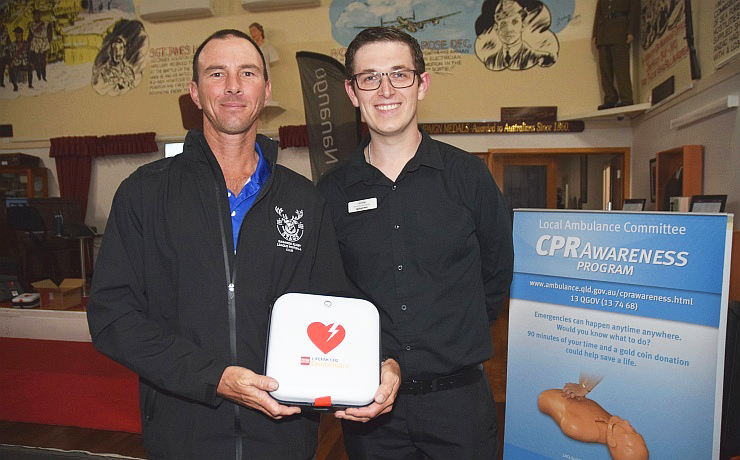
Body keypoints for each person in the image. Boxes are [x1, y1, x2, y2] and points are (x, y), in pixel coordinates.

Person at [87, 29, 400, 460]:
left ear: (265, 91)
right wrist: (213, 377)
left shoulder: (303, 199)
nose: (233, 86)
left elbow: (336, 302)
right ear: (195, 92)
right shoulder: (144, 193)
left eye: (247, 73)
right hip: (183, 436)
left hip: (283, 437)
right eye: (217, 73)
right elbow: (112, 317)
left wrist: (378, 361)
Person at [317, 27, 514, 459]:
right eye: (370, 78)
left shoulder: (468, 177)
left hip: (460, 406)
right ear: (352, 92)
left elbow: (497, 272)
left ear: (422, 84)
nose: (385, 90)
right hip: (372, 409)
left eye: (399, 74)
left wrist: (455, 337)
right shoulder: (331, 192)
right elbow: (332, 290)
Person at [476, 0, 555, 71]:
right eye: (503, 24)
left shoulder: (537, 58)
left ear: (522, 25)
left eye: (514, 22)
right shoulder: (490, 61)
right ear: (497, 29)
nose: (509, 29)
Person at [593, 0, 640, 109]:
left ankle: (626, 98)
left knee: (621, 67)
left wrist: (632, 31)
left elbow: (635, 10)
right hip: (603, 31)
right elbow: (598, 13)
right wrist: (595, 34)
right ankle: (610, 98)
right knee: (605, 68)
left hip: (620, 29)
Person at [27, 9, 51, 82]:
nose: (36, 17)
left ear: (39, 15)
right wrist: (28, 44)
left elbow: (49, 34)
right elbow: (30, 36)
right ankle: (39, 77)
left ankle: (44, 76)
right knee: (36, 62)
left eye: (37, 15)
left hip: (43, 43)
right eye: (34, 15)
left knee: (43, 61)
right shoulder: (31, 25)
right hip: (35, 44)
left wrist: (48, 42)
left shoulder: (46, 24)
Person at [9, 26, 33, 91]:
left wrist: (30, 62)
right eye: (16, 34)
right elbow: (10, 55)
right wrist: (11, 62)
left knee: (30, 67)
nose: (17, 36)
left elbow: (29, 54)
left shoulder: (26, 44)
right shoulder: (12, 45)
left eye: (19, 34)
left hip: (24, 63)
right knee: (10, 69)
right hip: (16, 63)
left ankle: (30, 84)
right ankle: (15, 86)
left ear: (22, 34)